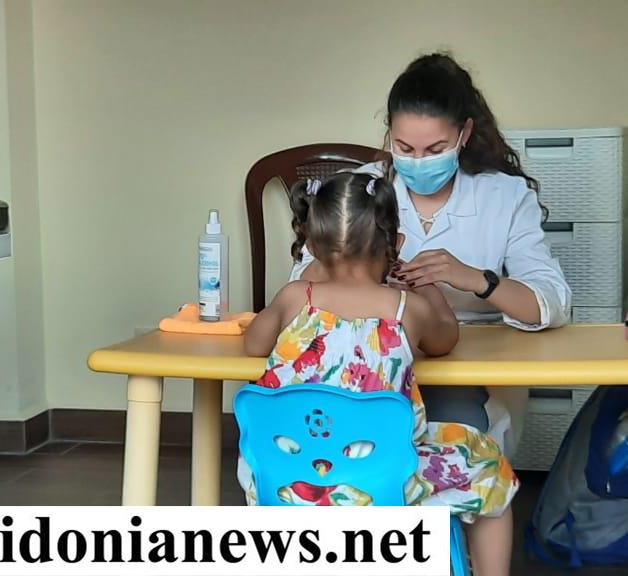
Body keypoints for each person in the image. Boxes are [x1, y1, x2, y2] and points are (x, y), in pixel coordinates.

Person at [289, 53, 572, 572]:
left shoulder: (503, 196)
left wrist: (475, 279)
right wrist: (360, 275)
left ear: (464, 134)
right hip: (361, 378)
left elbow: (550, 303)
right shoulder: (363, 189)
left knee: (451, 433)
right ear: (389, 136)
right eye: (404, 148)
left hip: (463, 377)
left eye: (435, 149)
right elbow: (301, 284)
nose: (418, 161)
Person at [242, 172, 519, 576]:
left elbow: (253, 344)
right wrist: (428, 289)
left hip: (286, 480)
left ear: (313, 246)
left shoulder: (293, 298)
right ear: (396, 243)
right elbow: (445, 339)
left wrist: (302, 285)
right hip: (382, 485)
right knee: (489, 462)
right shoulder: (406, 308)